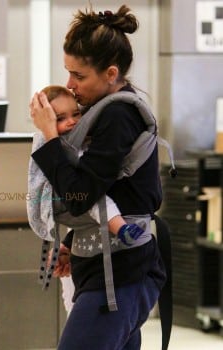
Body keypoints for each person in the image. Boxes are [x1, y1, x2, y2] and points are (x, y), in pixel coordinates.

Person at [30, 4, 167, 350]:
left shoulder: (118, 116)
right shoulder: (101, 113)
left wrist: (49, 139)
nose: (69, 85)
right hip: (108, 266)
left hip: (123, 272)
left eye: (79, 76)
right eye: (68, 73)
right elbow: (110, 190)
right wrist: (72, 242)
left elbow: (81, 195)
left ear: (110, 73)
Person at [28, 84, 145, 314]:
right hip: (82, 235)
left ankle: (122, 229)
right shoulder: (55, 145)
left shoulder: (96, 135)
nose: (72, 122)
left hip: (93, 251)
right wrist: (51, 133)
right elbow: (74, 193)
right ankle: (121, 229)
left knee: (100, 203)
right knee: (97, 203)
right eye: (60, 118)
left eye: (76, 113)